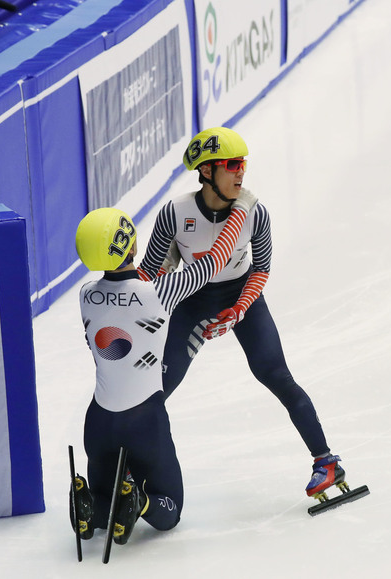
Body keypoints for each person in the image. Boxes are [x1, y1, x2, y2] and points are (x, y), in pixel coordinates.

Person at [138, 127, 345, 500]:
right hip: (193, 301)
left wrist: (239, 309)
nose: (241, 173)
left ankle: (326, 461)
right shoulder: (175, 212)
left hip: (241, 298)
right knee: (157, 391)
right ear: (206, 172)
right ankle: (137, 472)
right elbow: (150, 270)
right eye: (232, 165)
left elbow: (261, 269)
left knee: (276, 375)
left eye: (243, 164)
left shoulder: (255, 213)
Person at [70, 189, 256, 545]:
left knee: (109, 502)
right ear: (129, 244)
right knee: (170, 512)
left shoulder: (86, 294)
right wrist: (242, 208)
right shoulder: (160, 293)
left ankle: (91, 505)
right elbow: (215, 260)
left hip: (98, 421)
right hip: (145, 420)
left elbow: (120, 290)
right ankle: (140, 502)